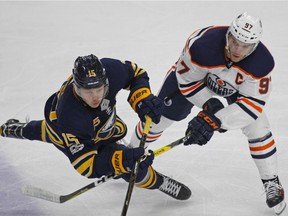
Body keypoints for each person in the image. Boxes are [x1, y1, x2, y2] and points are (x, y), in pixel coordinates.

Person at [129, 12, 286, 214]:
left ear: (254, 46)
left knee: (258, 127)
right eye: (235, 41)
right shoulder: (202, 45)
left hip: (236, 90)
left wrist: (214, 120)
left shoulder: (261, 65)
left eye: (245, 46)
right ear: (228, 35)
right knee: (158, 118)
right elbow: (186, 81)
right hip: (196, 80)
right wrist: (208, 104)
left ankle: (271, 180)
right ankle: (128, 157)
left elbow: (252, 106)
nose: (238, 50)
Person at [0, 54, 191, 200]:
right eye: (88, 91)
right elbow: (86, 166)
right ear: (76, 87)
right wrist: (119, 161)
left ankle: (16, 128)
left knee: (119, 133)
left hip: (97, 124)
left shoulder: (110, 70)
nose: (95, 97)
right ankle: (159, 181)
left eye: (99, 89)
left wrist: (143, 99)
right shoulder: (71, 118)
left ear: (105, 80)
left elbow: (136, 73)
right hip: (63, 129)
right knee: (133, 168)